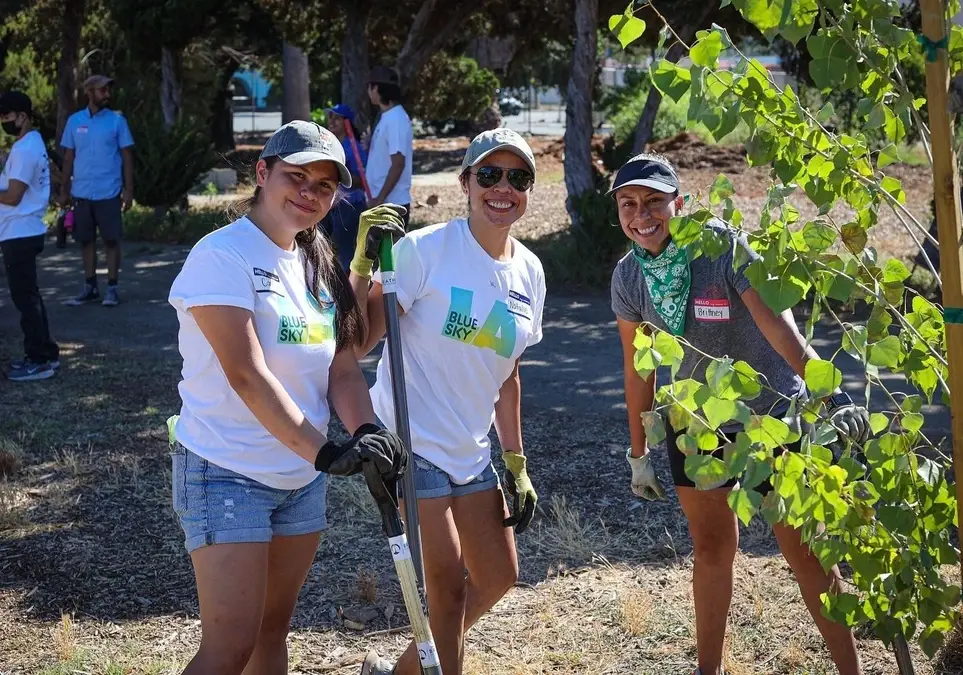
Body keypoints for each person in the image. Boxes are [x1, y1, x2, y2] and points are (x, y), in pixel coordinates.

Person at [609, 153, 870, 675]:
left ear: (679, 203)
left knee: (807, 554)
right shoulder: (629, 276)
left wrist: (830, 393)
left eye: (654, 201)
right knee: (711, 551)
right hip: (697, 429)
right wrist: (638, 454)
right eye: (628, 204)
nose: (642, 215)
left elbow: (779, 328)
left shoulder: (723, 247)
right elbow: (639, 370)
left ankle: (851, 670)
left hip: (773, 418)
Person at [166, 120, 409, 675]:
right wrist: (325, 452)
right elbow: (246, 374)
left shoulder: (315, 262)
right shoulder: (220, 255)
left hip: (300, 481)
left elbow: (342, 368)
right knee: (230, 646)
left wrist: (367, 431)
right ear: (262, 172)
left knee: (273, 630)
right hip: (227, 471)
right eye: (296, 176)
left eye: (324, 186)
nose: (309, 193)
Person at [351, 128, 546, 675]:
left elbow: (509, 373)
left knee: (498, 575)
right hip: (411, 444)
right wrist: (361, 266)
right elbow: (360, 342)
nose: (502, 188)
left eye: (517, 177)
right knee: (448, 590)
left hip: (470, 446)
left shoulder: (530, 272)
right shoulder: (425, 251)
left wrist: (515, 460)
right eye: (489, 175)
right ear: (465, 183)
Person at [59, 74, 134, 307]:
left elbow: (127, 156)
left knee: (111, 240)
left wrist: (128, 190)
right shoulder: (74, 121)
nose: (107, 94)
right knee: (86, 241)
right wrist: (64, 189)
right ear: (89, 92)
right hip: (82, 192)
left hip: (109, 192)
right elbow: (68, 157)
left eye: (108, 90)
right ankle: (90, 287)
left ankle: (112, 288)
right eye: (102, 90)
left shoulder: (117, 121)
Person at [0, 91, 60, 382]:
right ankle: (47, 352)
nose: (3, 121)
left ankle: (38, 361)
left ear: (23, 116)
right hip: (22, 230)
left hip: (19, 231)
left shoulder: (25, 149)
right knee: (30, 296)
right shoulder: (30, 144)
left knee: (25, 299)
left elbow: (13, 196)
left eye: (7, 116)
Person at [321, 103, 369, 271]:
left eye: (337, 118)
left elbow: (363, 180)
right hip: (332, 205)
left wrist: (339, 176)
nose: (331, 121)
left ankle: (348, 284)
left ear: (346, 122)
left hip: (350, 205)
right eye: (330, 117)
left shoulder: (354, 148)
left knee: (345, 251)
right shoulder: (330, 145)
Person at [365, 66, 413, 225]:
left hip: (390, 206)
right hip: (380, 204)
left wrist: (380, 199)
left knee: (388, 244)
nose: (368, 92)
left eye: (369, 87)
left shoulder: (396, 119)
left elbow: (398, 164)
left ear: (376, 88)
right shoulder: (387, 117)